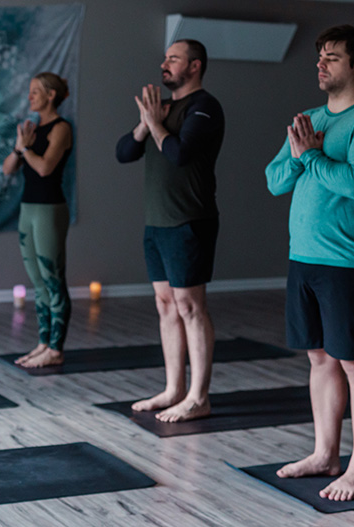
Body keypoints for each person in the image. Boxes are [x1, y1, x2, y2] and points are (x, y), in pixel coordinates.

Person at [264, 25, 354, 502]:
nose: (320, 64)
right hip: (305, 257)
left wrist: (313, 155)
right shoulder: (310, 118)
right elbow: (275, 180)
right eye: (319, 57)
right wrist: (304, 157)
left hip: (352, 259)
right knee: (319, 358)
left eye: (332, 58)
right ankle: (325, 454)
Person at [115, 39, 224, 423]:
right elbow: (124, 152)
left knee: (190, 307)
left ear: (194, 66)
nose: (165, 65)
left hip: (189, 221)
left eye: (173, 59)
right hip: (156, 222)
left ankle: (199, 396)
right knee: (166, 306)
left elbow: (179, 154)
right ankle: (174, 388)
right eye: (164, 58)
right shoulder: (161, 109)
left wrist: (156, 123)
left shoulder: (204, 107)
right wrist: (147, 124)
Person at [2, 72, 73, 368]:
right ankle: (43, 343)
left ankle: (56, 348)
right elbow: (8, 169)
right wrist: (20, 147)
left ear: (51, 95)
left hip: (49, 209)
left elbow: (44, 168)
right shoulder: (30, 131)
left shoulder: (61, 128)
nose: (30, 96)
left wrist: (27, 148)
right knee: (38, 282)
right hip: (28, 208)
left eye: (35, 92)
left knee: (53, 279)